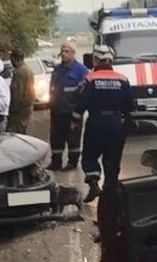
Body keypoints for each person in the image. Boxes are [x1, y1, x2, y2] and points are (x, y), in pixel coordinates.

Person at [72, 45, 134, 203]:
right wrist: (130, 122)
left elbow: (80, 103)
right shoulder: (122, 79)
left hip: (96, 122)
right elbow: (130, 105)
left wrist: (74, 122)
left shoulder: (89, 78)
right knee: (112, 157)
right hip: (116, 123)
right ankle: (111, 190)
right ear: (110, 60)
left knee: (90, 155)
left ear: (96, 60)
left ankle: (93, 183)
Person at [48, 41, 89, 170]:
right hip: (57, 111)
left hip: (72, 112)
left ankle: (73, 162)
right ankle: (56, 162)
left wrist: (78, 112)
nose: (64, 54)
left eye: (67, 52)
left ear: (73, 53)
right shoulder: (58, 69)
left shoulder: (81, 70)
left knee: (73, 139)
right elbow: (52, 88)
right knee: (56, 138)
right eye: (62, 51)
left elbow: (85, 93)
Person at [8, 48, 36, 135]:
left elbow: (17, 93)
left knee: (17, 133)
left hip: (20, 109)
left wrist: (12, 109)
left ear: (13, 58)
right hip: (28, 106)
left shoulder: (19, 72)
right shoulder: (28, 69)